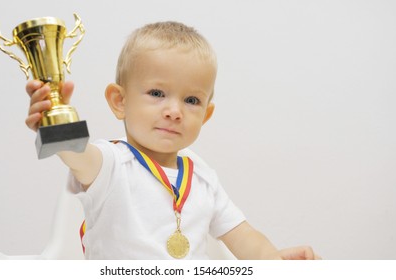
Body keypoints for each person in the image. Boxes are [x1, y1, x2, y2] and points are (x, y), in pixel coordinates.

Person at [25, 21, 320, 260]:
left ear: (206, 115)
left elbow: (245, 239)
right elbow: (73, 150)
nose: (175, 111)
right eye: (157, 93)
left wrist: (277, 265)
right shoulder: (109, 165)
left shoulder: (203, 177)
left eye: (191, 100)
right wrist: (53, 117)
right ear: (120, 101)